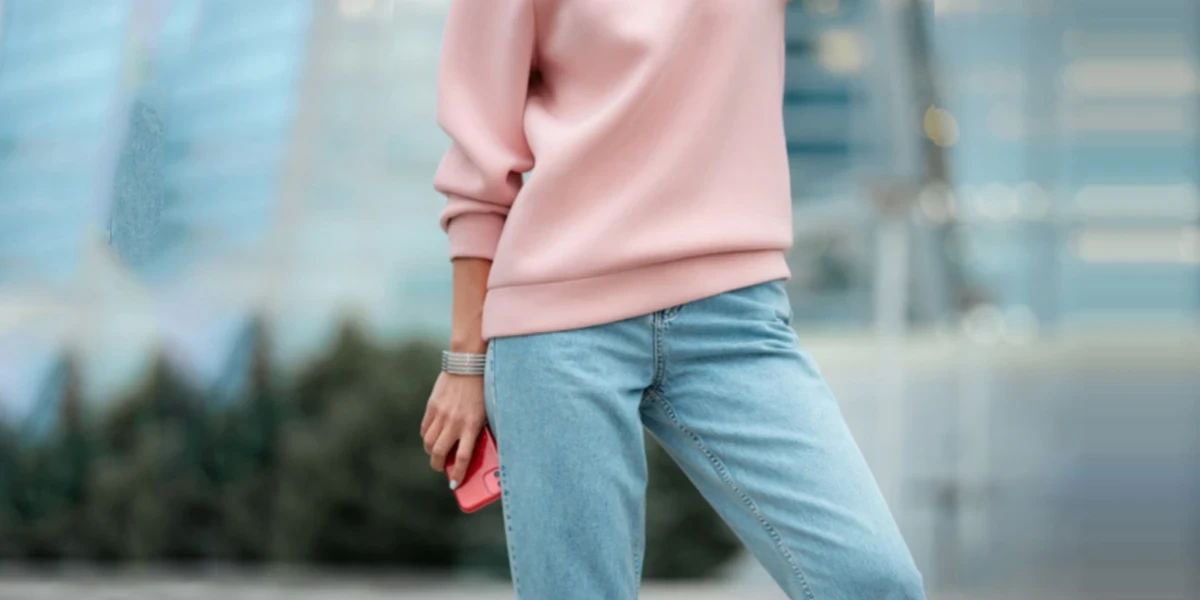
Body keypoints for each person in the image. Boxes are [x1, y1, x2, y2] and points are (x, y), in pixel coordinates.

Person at [419, 1, 926, 598]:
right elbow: (481, 160)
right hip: (558, 329)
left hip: (734, 320)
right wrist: (465, 359)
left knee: (874, 581)